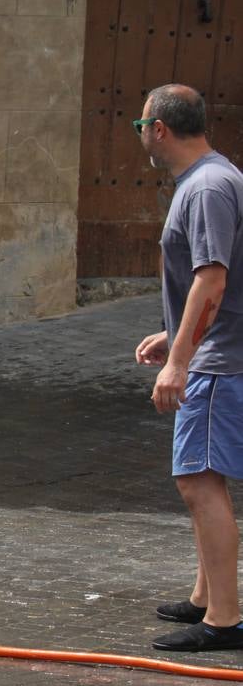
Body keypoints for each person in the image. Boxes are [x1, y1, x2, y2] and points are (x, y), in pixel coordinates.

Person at [133, 84, 243, 652]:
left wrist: (179, 361)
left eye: (140, 126)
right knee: (207, 477)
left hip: (218, 362)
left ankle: (225, 619)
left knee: (197, 480)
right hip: (214, 351)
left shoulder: (207, 187)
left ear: (159, 129)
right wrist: (175, 333)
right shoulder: (210, 180)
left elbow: (213, 278)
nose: (142, 137)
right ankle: (206, 596)